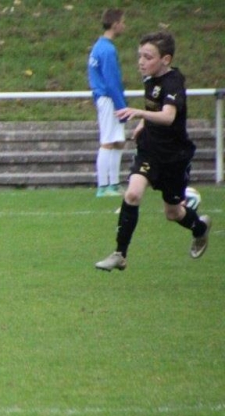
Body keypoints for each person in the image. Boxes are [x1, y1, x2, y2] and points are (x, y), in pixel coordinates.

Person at [95, 31, 210, 271]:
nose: (141, 62)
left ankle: (200, 228)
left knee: (173, 213)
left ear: (165, 60)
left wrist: (139, 113)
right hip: (149, 151)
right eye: (140, 56)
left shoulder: (173, 82)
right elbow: (155, 108)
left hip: (174, 157)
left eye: (148, 57)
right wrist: (142, 123)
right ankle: (120, 254)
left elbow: (168, 116)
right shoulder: (150, 79)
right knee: (132, 194)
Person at [88, 8, 128, 198]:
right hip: (108, 98)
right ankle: (103, 186)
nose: (124, 26)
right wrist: (122, 105)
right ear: (115, 24)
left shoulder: (99, 46)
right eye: (122, 22)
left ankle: (114, 183)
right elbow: (112, 81)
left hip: (107, 98)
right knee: (108, 141)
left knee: (118, 141)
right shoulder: (107, 50)